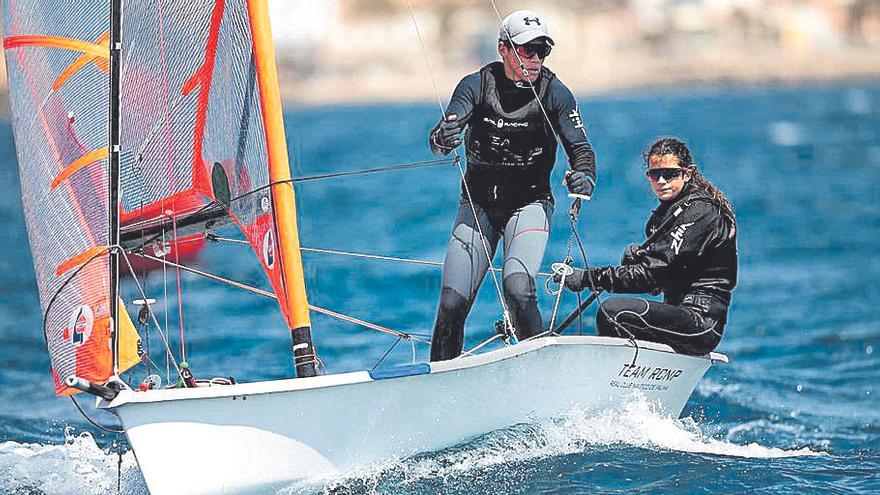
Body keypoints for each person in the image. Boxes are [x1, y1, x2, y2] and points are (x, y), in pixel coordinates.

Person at [428, 10, 597, 361]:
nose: (535, 59)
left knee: (518, 288)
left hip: (529, 205)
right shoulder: (476, 85)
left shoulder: (556, 93)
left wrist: (584, 177)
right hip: (477, 207)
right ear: (503, 48)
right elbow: (440, 139)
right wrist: (444, 137)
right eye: (527, 50)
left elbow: (581, 150)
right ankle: (438, 386)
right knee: (450, 304)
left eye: (542, 51)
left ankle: (538, 371)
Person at [559, 137, 737, 355]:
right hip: (679, 315)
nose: (661, 181)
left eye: (669, 174)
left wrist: (588, 278)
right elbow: (659, 279)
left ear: (687, 174)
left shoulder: (701, 212)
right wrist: (639, 260)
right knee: (618, 312)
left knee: (612, 312)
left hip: (701, 322)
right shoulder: (666, 215)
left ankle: (618, 378)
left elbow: (654, 275)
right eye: (654, 174)